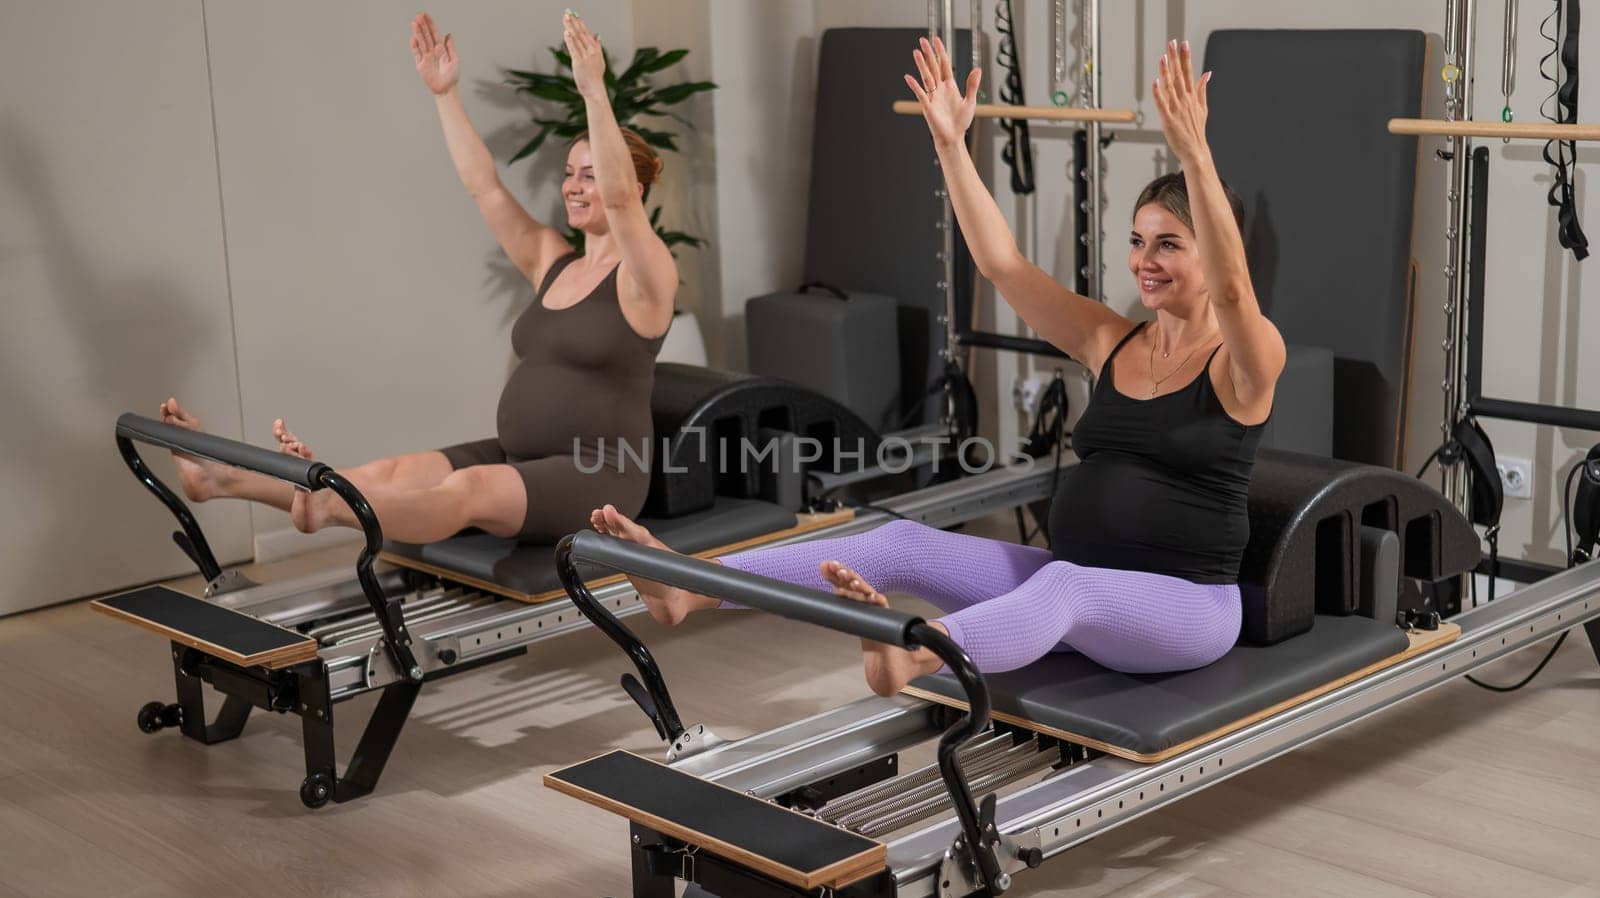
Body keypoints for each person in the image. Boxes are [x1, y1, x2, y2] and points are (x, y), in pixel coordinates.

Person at [591, 38, 1285, 697]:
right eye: (1138, 242)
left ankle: (916, 655)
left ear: (1216, 253)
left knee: (1063, 591)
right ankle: (689, 586)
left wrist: (1194, 153)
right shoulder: (1112, 339)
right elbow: (1002, 265)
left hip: (1188, 608)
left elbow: (1232, 294)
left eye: (1170, 244)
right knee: (900, 544)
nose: (1145, 261)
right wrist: (952, 146)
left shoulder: (1248, 360)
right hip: (1082, 579)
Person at [158, 10, 676, 545]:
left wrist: (593, 91)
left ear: (635, 191)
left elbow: (615, 200)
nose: (573, 186)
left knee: (468, 488)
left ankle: (330, 513)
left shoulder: (646, 277)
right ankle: (220, 478)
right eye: (569, 173)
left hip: (596, 474)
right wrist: (444, 94)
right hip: (520, 456)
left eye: (590, 175)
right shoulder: (553, 259)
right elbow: (486, 189)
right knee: (392, 472)